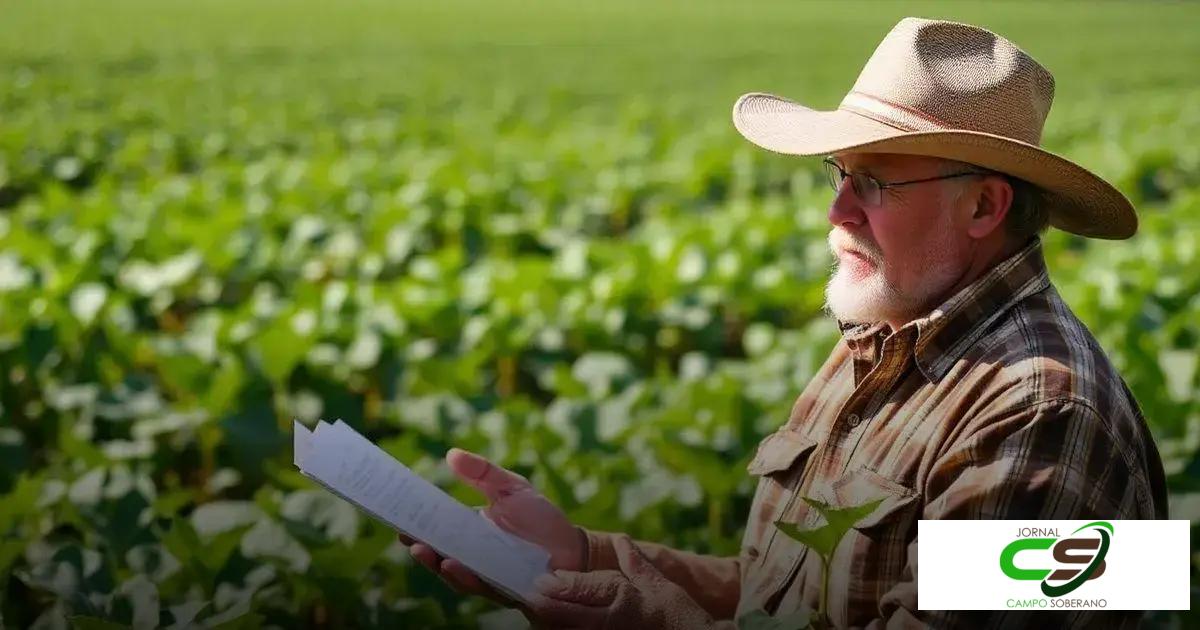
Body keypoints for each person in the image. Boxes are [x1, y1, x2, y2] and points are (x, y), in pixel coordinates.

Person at [401, 17, 1168, 629]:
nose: (835, 213)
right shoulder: (887, 341)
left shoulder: (1045, 414)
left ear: (983, 207)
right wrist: (580, 553)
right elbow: (785, 600)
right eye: (839, 175)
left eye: (871, 182)